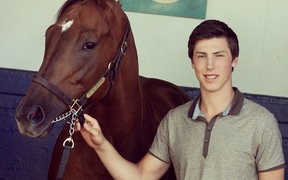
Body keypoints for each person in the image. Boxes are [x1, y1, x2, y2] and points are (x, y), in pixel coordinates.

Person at [75, 19, 285, 179]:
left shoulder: (261, 123)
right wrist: (100, 144)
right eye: (201, 56)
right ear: (193, 63)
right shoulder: (174, 121)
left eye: (219, 55)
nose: (210, 65)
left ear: (234, 61)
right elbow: (141, 175)